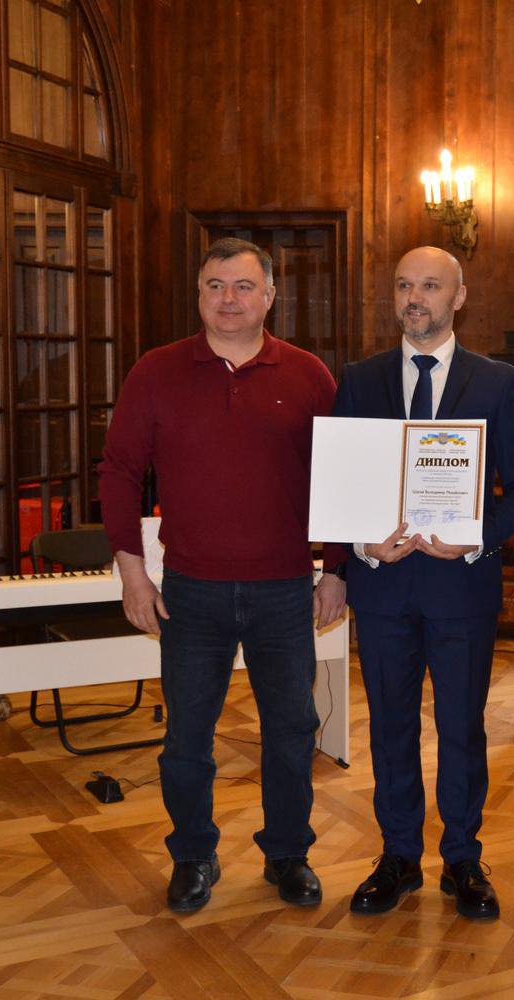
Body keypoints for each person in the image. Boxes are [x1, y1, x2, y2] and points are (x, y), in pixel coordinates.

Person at [99, 237, 345, 914]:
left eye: (242, 286)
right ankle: (193, 856)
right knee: (187, 738)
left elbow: (340, 477)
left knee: (291, 733)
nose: (228, 299)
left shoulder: (309, 375)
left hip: (285, 589)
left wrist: (336, 570)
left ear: (270, 296)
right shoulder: (156, 371)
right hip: (190, 591)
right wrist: (133, 574)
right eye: (215, 286)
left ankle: (288, 854)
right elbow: (119, 471)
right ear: (199, 295)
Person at [330, 246, 514, 921]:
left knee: (461, 728)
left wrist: (477, 539)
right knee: (389, 726)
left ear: (459, 297)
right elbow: (341, 481)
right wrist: (361, 544)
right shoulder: (358, 380)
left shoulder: (496, 381)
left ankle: (463, 858)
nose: (414, 298)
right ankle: (397, 856)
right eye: (404, 286)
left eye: (430, 286)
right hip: (382, 587)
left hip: (461, 589)